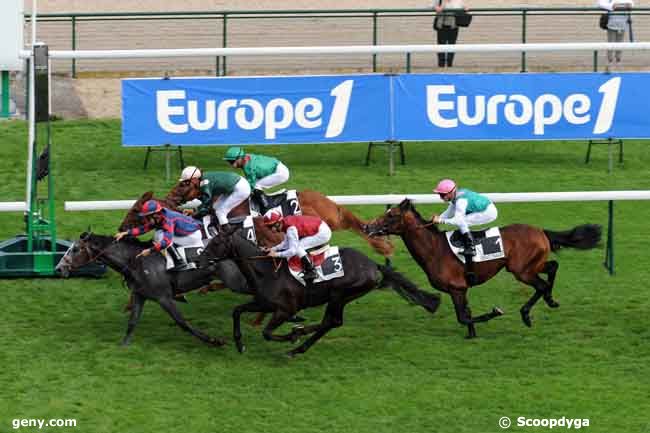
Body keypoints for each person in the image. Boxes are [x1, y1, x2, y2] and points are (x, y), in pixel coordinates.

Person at [431, 179, 497, 284]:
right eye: (440, 194)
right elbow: (449, 212)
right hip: (484, 207)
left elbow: (457, 220)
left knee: (462, 222)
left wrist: (441, 220)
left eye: (442, 195)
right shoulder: (455, 196)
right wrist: (436, 219)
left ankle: (470, 247)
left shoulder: (461, 201)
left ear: (451, 192)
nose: (441, 197)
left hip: (488, 212)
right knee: (462, 221)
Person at [114, 199, 202, 272]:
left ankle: (179, 263)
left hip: (192, 236)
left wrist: (150, 250)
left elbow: (166, 241)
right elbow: (144, 228)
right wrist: (126, 233)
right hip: (184, 232)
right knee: (158, 234)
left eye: (148, 217)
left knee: (160, 235)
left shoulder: (168, 219)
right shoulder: (159, 217)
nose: (146, 219)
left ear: (155, 214)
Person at [262, 210, 332, 284]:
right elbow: (286, 243)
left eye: (270, 226)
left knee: (298, 247)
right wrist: (273, 249)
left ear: (277, 224)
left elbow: (293, 251)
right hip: (320, 226)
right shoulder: (286, 223)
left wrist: (276, 254)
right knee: (297, 245)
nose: (270, 230)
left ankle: (311, 271)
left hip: (322, 232)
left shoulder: (290, 228)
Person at [178, 166, 250, 231]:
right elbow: (204, 203)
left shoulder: (204, 183)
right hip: (235, 185)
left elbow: (206, 204)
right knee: (216, 207)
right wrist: (193, 210)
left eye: (188, 182)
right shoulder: (201, 180)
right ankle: (217, 227)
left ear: (194, 179)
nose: (187, 184)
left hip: (241, 188)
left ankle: (229, 235)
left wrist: (194, 215)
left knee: (220, 212)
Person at [223, 146, 290, 209]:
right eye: (230, 162)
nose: (231, 164)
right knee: (254, 186)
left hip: (280, 173)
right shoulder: (246, 158)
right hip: (277, 168)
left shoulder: (249, 167)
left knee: (256, 186)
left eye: (232, 161)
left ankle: (267, 206)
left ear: (239, 158)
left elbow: (250, 186)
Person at [599, 0, 634, 72]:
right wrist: (611, 6)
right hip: (612, 25)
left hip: (622, 25)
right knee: (610, 45)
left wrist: (629, 5)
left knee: (620, 45)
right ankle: (609, 65)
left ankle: (618, 64)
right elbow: (600, 3)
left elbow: (632, 4)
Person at [433, 0, 468, 68]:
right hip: (441, 26)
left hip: (453, 26)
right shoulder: (439, 1)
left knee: (452, 45)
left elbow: (464, 9)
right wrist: (443, 4)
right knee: (441, 45)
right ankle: (441, 64)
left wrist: (465, 9)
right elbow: (436, 9)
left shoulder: (458, 1)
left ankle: (449, 64)